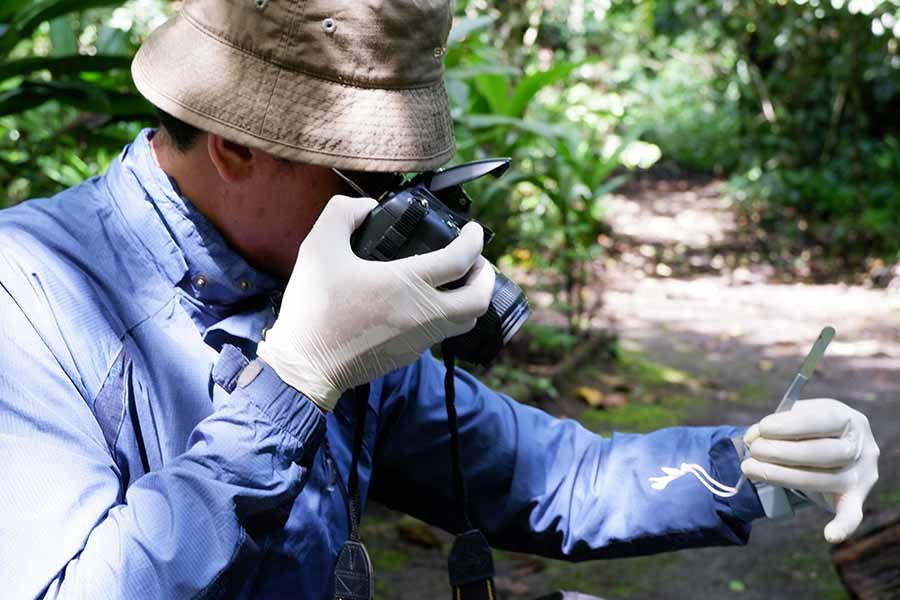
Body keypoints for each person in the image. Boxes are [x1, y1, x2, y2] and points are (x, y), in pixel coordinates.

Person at [0, 1, 879, 598]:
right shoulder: (29, 296)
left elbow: (551, 479)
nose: (396, 208)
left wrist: (752, 469)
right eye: (372, 173)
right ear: (234, 145)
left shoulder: (314, 283)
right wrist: (295, 381)